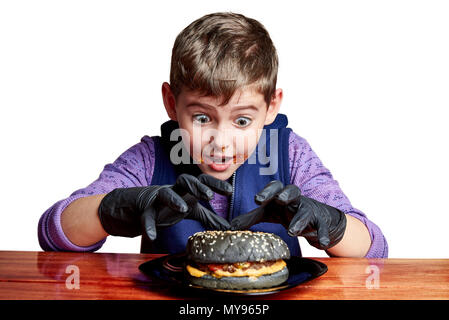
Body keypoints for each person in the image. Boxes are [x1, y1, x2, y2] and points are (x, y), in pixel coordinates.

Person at [38, 12, 388, 258]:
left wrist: (330, 223)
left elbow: (374, 248)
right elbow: (54, 233)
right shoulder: (151, 158)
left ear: (271, 106)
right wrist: (114, 210)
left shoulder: (289, 154)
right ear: (172, 103)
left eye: (241, 121)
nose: (221, 141)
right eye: (203, 117)